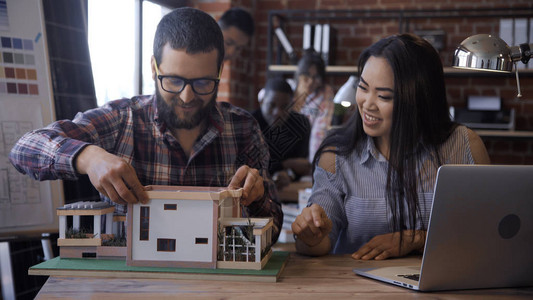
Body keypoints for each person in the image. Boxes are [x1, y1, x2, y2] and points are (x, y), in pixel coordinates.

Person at [9, 7, 282, 243]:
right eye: (173, 81)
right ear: (154, 68)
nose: (187, 97)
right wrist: (88, 157)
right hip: (129, 284)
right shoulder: (121, 120)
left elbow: (275, 224)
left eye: (202, 83)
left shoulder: (244, 128)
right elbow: (24, 149)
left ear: (220, 71)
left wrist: (257, 198)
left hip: (218, 282)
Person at [291, 33, 490, 259]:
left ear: (418, 100)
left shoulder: (463, 146)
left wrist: (415, 239)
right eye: (363, 87)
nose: (367, 104)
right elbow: (319, 243)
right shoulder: (337, 155)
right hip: (358, 290)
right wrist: (309, 235)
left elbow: (487, 234)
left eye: (384, 96)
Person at [252, 78, 311, 190]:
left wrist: (289, 174)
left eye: (284, 107)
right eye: (271, 105)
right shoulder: (249, 123)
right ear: (262, 101)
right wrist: (286, 164)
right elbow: (250, 166)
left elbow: (301, 166)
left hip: (288, 190)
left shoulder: (301, 124)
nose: (277, 112)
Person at [292, 51, 335, 162]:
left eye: (316, 77)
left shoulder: (325, 93)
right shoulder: (288, 88)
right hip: (284, 151)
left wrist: (313, 164)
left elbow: (319, 132)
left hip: (307, 156)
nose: (311, 82)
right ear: (299, 75)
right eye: (306, 77)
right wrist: (300, 96)